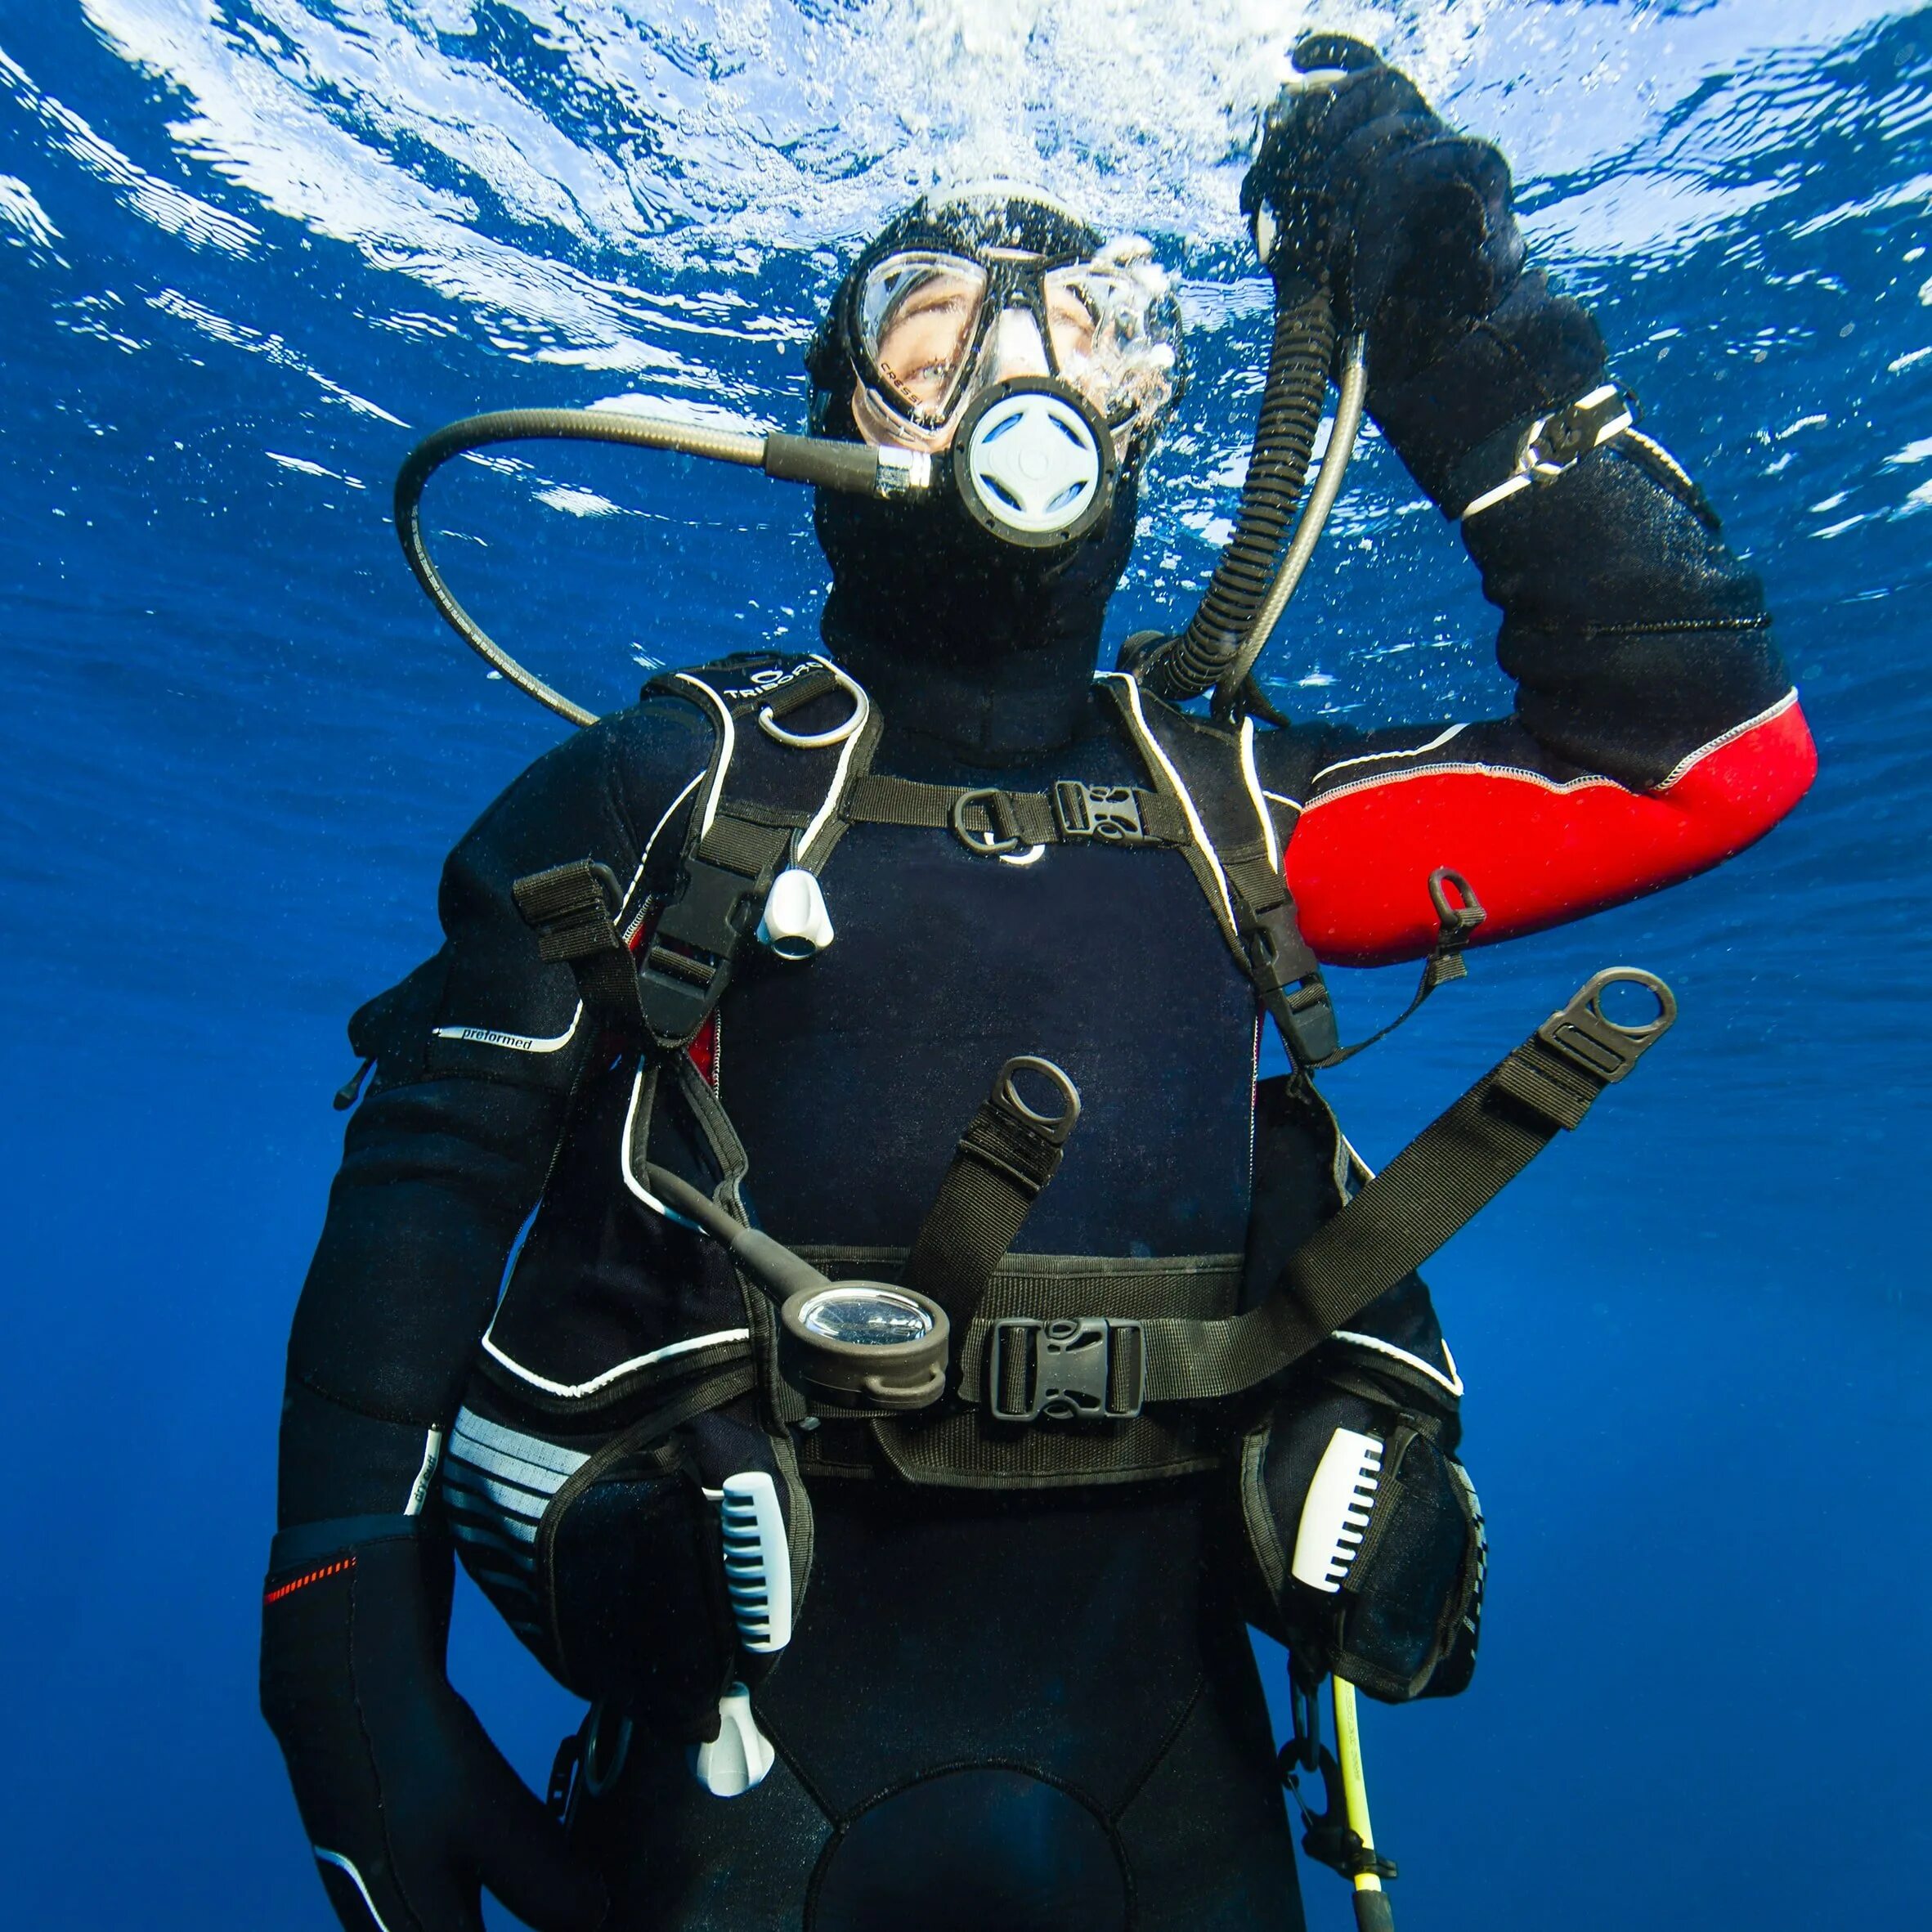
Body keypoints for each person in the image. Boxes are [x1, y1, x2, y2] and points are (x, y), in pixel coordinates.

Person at [260, 38, 1815, 1932]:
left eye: (1089, 328)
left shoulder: (1236, 807)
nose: (1017, 376)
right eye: (929, 330)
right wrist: (346, 1654)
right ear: (834, 408)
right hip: (738, 1778)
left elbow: (1706, 752)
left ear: (1152, 417)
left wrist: (1436, 300)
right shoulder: (668, 792)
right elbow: (424, 1178)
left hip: (1172, 1785)